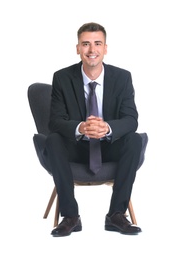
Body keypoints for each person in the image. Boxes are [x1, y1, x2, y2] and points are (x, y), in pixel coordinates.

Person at [45, 22, 142, 237]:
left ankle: (116, 215)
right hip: (76, 147)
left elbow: (131, 119)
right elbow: (55, 121)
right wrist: (82, 127)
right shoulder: (61, 78)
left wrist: (107, 128)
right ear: (77, 48)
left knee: (134, 140)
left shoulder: (122, 77)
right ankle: (70, 216)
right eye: (86, 44)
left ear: (105, 48)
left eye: (97, 43)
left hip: (109, 146)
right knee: (52, 139)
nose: (92, 50)